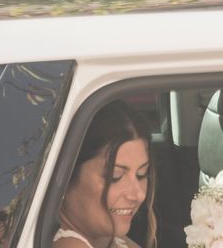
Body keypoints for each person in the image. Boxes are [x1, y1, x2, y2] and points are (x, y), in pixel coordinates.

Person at [54, 100, 156, 248]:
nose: (138, 194)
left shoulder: (105, 238)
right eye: (115, 177)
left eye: (141, 174)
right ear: (66, 176)